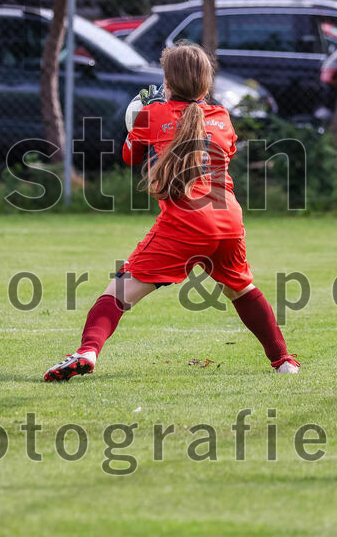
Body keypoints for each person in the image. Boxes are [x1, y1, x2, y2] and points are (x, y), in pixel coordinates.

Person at [43, 42, 299, 381]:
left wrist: (137, 120)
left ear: (167, 81)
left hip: (185, 222)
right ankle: (284, 361)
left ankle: (87, 351)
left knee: (119, 293)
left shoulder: (154, 114)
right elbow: (219, 151)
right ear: (206, 84)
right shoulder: (222, 118)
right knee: (242, 289)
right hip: (228, 222)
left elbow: (130, 157)